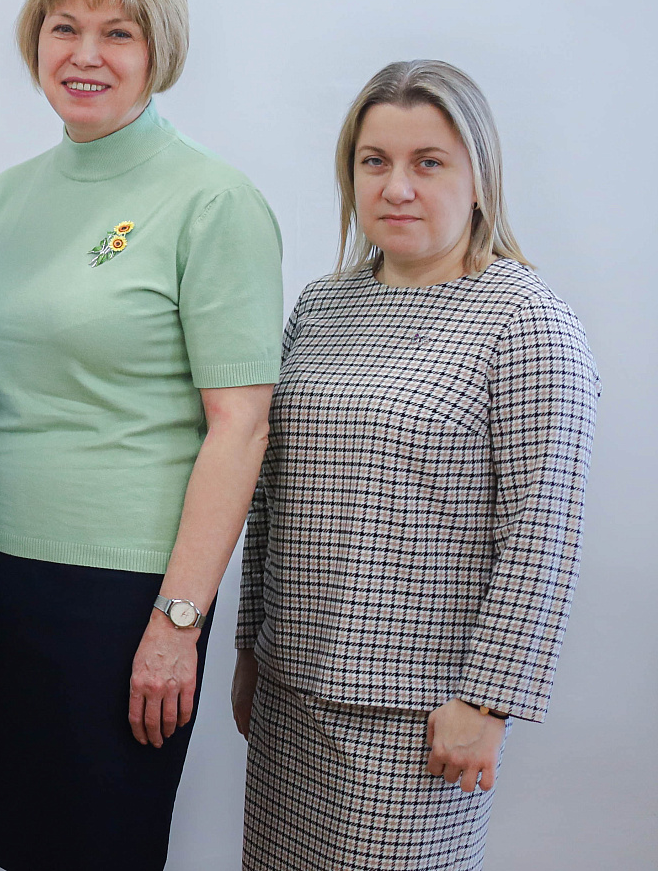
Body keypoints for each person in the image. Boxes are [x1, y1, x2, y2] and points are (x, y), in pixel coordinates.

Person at [0, 0, 284, 869]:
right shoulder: (5, 198)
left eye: (118, 33)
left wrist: (178, 621)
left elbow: (240, 427)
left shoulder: (214, 202)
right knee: (2, 839)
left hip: (123, 597)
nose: (85, 54)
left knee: (96, 847)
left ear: (160, 51)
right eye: (65, 28)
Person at [232, 60, 597, 871]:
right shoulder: (322, 306)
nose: (396, 187)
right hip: (291, 694)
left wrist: (488, 703)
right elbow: (270, 496)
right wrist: (248, 647)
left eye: (428, 162)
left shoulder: (526, 321)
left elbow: (542, 534)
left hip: (420, 718)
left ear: (479, 177)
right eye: (375, 161)